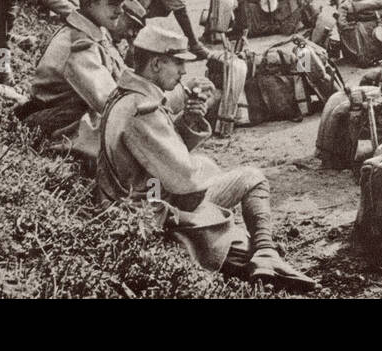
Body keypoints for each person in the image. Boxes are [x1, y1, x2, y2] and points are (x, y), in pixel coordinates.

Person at [96, 21, 316, 290]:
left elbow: (152, 160)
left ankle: (261, 251)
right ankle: (264, 254)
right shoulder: (143, 110)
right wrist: (212, 187)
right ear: (155, 64)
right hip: (156, 217)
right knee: (252, 180)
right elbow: (185, 180)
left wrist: (187, 120)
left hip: (147, 198)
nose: (183, 71)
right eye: (177, 63)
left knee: (212, 174)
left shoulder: (126, 95)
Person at [17, 0, 133, 141]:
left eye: (121, 5)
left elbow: (120, 75)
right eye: (113, 4)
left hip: (61, 114)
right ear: (88, 2)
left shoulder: (92, 32)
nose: (120, 11)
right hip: (52, 120)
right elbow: (108, 103)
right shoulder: (79, 45)